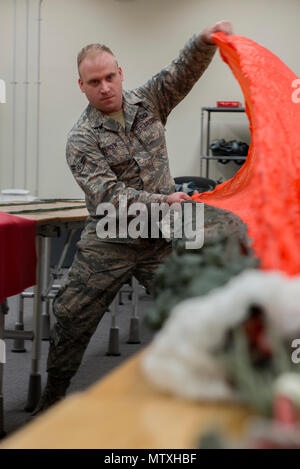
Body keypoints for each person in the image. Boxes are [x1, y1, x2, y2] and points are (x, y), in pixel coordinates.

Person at [34, 20, 233, 413]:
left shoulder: (151, 100)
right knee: (71, 317)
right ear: (82, 86)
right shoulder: (81, 138)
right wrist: (166, 202)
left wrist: (205, 40)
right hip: (111, 237)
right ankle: (52, 401)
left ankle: (208, 396)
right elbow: (110, 195)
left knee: (197, 307)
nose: (105, 87)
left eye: (110, 76)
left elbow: (183, 70)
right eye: (94, 82)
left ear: (120, 73)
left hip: (161, 236)